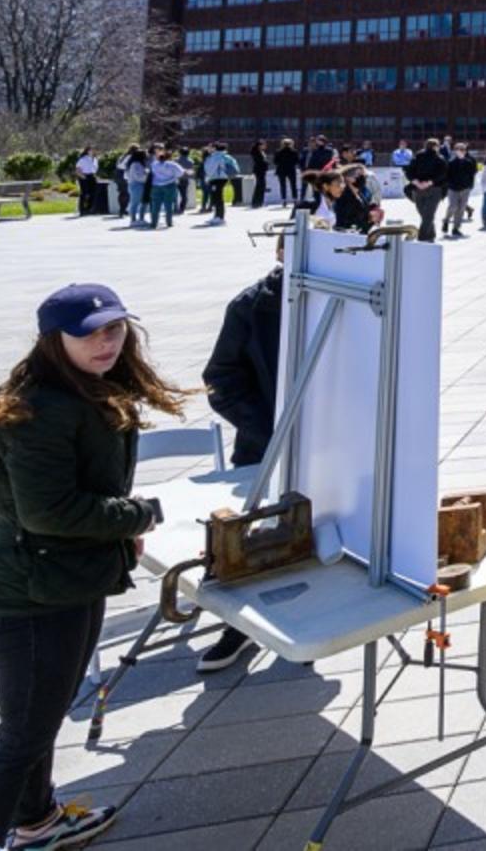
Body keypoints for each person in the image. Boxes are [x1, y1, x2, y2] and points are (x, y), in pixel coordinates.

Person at [0, 283, 185, 848]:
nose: (106, 343)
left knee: (39, 724)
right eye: (89, 334)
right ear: (52, 341)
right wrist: (137, 517)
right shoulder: (40, 410)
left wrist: (116, 536)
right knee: (19, 741)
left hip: (66, 583)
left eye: (114, 329)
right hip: (29, 600)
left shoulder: (84, 389)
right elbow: (49, 512)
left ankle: (37, 824)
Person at [197, 243, 286, 674]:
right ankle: (238, 626)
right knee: (246, 541)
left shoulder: (347, 297)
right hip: (261, 445)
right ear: (281, 251)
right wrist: (268, 430)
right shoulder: (252, 305)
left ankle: (299, 621)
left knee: (316, 535)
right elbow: (220, 379)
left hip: (329, 448)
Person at [308, 167, 377, 234]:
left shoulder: (361, 196)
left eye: (363, 175)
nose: (341, 187)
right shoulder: (341, 199)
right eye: (338, 185)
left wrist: (372, 220)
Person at [404, 139, 447, 242]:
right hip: (434, 189)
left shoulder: (417, 157)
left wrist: (416, 182)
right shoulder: (439, 158)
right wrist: (428, 182)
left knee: (425, 214)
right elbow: (443, 174)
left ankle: (425, 236)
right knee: (428, 214)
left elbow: (408, 171)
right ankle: (427, 236)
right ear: (436, 147)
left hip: (419, 188)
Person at [443, 142, 479, 238]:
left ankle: (456, 228)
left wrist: (470, 185)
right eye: (459, 149)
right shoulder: (450, 162)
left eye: (463, 150)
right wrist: (448, 185)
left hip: (465, 188)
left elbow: (473, 173)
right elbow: (446, 175)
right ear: (455, 151)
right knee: (453, 206)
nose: (461, 151)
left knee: (461, 208)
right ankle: (446, 220)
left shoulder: (469, 161)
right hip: (453, 188)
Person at [201, 141, 239, 223]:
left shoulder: (216, 156)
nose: (208, 148)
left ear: (214, 148)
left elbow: (210, 169)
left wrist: (207, 177)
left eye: (210, 147)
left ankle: (220, 217)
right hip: (220, 178)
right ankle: (217, 216)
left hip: (217, 179)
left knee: (218, 198)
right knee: (216, 197)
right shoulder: (221, 155)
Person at [146, 148, 183, 229]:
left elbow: (152, 172)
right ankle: (169, 222)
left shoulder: (154, 164)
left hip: (156, 186)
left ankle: (154, 223)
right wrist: (173, 176)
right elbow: (180, 173)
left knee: (155, 205)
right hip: (169, 185)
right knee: (168, 204)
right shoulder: (172, 164)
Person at [72, 148, 99, 217]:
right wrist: (82, 176)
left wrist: (95, 176)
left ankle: (90, 209)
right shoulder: (82, 159)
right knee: (84, 193)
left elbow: (95, 169)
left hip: (92, 176)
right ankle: (82, 210)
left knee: (93, 193)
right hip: (84, 176)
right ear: (87, 152)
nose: (93, 151)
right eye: (91, 150)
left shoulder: (95, 159)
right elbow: (78, 170)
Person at [273, 137, 299, 203]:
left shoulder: (278, 152)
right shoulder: (294, 152)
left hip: (281, 170)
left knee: (283, 185)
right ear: (291, 144)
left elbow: (275, 162)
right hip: (291, 170)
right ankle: (295, 199)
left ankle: (284, 199)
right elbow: (297, 161)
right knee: (293, 185)